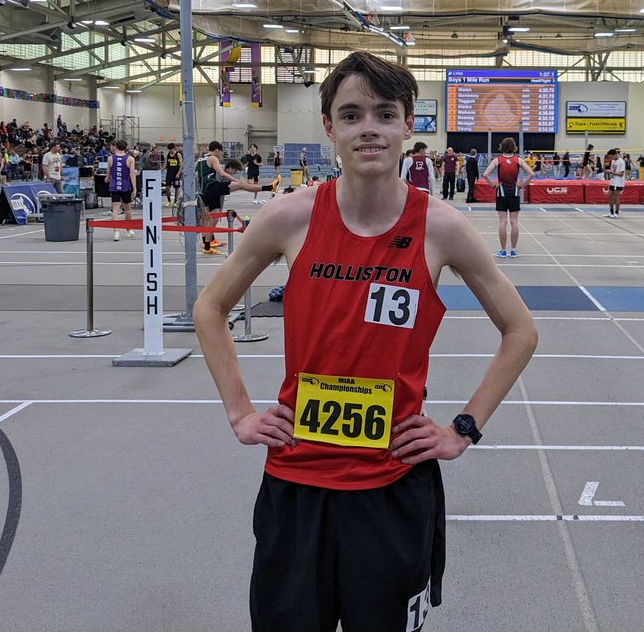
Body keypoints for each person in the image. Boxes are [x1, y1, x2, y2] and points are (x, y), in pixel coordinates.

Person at [191, 51, 537, 632]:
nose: (369, 128)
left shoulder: (441, 227)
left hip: (392, 487)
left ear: (408, 125)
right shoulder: (287, 218)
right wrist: (240, 412)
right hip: (296, 487)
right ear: (329, 127)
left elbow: (520, 330)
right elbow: (210, 307)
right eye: (351, 115)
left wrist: (463, 429)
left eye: (384, 113)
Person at [197, 142, 267, 256]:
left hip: (202, 191)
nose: (220, 155)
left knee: (209, 219)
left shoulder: (200, 160)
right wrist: (236, 182)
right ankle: (207, 245)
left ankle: (208, 243)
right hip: (210, 189)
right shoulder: (213, 159)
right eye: (220, 152)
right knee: (212, 219)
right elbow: (222, 174)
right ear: (217, 150)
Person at [483, 137, 535, 258]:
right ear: (514, 147)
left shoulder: (497, 160)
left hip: (501, 191)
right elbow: (531, 174)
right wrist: (521, 185)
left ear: (502, 147)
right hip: (514, 192)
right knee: (514, 221)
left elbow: (485, 174)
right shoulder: (518, 160)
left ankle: (502, 250)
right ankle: (513, 250)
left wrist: (493, 185)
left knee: (502, 221)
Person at [108, 139, 138, 242]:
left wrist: (108, 178)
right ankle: (128, 230)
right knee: (128, 209)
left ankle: (116, 232)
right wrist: (135, 188)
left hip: (115, 186)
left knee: (115, 209)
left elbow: (108, 175)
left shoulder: (110, 158)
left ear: (116, 146)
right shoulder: (130, 159)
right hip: (125, 186)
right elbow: (132, 174)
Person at [606, 148, 627, 218]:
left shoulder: (621, 162)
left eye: (611, 157)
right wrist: (610, 171)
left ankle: (616, 212)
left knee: (616, 196)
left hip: (618, 182)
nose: (610, 158)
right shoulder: (613, 161)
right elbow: (613, 170)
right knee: (609, 196)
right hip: (613, 181)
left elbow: (621, 174)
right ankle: (611, 212)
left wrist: (612, 172)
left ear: (615, 154)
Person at [164, 143, 182, 207]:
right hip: (169, 173)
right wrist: (160, 171)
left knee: (176, 188)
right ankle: (169, 201)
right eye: (169, 149)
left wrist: (178, 173)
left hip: (176, 174)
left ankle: (175, 201)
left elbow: (181, 165)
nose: (170, 150)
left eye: (171, 149)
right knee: (167, 187)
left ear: (174, 148)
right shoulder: (168, 155)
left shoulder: (178, 154)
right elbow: (165, 165)